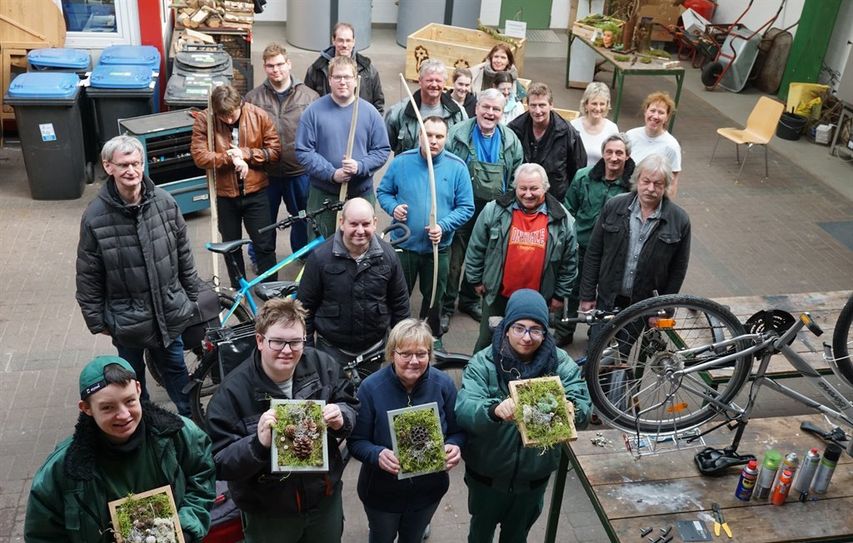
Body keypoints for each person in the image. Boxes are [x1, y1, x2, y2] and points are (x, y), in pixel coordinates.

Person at [206, 297, 359, 543]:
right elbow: (219, 462)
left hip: (323, 500)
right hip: (269, 514)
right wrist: (257, 444)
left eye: (295, 342)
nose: (287, 350)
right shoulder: (232, 393)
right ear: (259, 340)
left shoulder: (323, 366)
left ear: (304, 340)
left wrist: (343, 416)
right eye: (277, 341)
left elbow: (351, 405)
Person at [25, 355, 216, 542]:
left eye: (129, 401)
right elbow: (42, 534)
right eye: (108, 408)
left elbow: (202, 479)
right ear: (86, 408)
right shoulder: (62, 470)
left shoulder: (179, 435)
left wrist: (185, 529)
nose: (123, 415)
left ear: (139, 390)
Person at [76, 135, 200, 416]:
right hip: (126, 322)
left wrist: (191, 298)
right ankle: (142, 434)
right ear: (109, 167)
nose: (131, 170)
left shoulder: (165, 203)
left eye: (136, 163)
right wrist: (98, 321)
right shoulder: (95, 217)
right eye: (123, 165)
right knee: (131, 385)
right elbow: (88, 274)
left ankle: (192, 430)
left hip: (168, 315)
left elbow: (184, 255)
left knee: (179, 379)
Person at [455, 289, 591, 543]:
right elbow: (464, 409)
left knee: (517, 537)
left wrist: (573, 409)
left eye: (535, 329)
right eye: (519, 328)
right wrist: (493, 410)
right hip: (487, 478)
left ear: (545, 331)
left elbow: (583, 409)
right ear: (506, 328)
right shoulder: (483, 363)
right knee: (480, 534)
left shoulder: (561, 364)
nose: (527, 337)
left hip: (532, 480)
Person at [348, 318, 465, 543]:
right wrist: (377, 454)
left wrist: (455, 445)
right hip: (381, 494)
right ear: (392, 354)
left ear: (430, 354)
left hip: (428, 492)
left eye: (421, 354)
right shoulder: (371, 388)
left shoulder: (443, 384)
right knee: (382, 537)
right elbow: (356, 441)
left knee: (413, 538)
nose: (414, 361)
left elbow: (458, 431)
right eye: (405, 354)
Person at [377, 116, 474, 343]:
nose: (433, 141)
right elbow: (383, 192)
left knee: (434, 299)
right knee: (398, 295)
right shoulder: (402, 162)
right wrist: (394, 207)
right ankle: (395, 338)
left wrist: (443, 226)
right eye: (428, 135)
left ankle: (429, 340)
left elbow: (466, 206)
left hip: (438, 249)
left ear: (446, 138)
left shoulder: (457, 167)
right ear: (420, 136)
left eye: (439, 136)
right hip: (404, 245)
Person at [465, 163, 578, 352]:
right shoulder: (494, 210)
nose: (528, 194)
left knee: (530, 346)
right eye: (522, 188)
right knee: (487, 343)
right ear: (515, 187)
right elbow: (476, 247)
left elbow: (570, 262)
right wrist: (475, 279)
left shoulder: (563, 220)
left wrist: (559, 295)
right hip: (497, 295)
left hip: (538, 298)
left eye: (534, 188)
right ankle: (478, 379)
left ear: (545, 187)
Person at [442, 88, 523, 328]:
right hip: (461, 206)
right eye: (485, 107)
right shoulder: (457, 135)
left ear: (502, 112)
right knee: (454, 258)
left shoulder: (510, 141)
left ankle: (468, 299)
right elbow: (444, 170)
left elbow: (516, 177)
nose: (490, 113)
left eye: (496, 109)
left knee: (483, 257)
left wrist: (508, 209)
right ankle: (446, 306)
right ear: (476, 108)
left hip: (494, 210)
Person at [297, 197, 411, 369]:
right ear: (342, 223)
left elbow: (400, 305)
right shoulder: (320, 258)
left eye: (365, 224)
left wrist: (402, 349)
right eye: (354, 224)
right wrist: (308, 354)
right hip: (331, 353)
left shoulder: (389, 257)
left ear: (375, 223)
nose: (360, 230)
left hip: (374, 352)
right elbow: (304, 309)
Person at [191, 84, 282, 288]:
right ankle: (239, 290)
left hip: (256, 192)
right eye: (224, 117)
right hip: (224, 195)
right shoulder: (205, 119)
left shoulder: (258, 116)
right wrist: (231, 158)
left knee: (264, 245)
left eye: (232, 115)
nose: (229, 120)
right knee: (230, 247)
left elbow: (275, 152)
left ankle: (271, 291)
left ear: (240, 104)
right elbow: (200, 156)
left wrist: (246, 154)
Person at [579, 153, 691, 318]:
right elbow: (594, 252)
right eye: (646, 181)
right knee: (598, 341)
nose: (650, 189)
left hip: (644, 306)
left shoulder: (679, 220)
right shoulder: (614, 206)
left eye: (658, 184)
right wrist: (587, 294)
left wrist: (663, 309)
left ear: (665, 186)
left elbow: (678, 270)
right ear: (637, 180)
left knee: (628, 344)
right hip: (607, 297)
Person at [295, 55, 391, 239]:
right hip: (324, 195)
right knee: (322, 248)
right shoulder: (313, 112)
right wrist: (331, 173)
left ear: (356, 80)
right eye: (337, 77)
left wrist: (360, 166)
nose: (342, 82)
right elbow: (304, 151)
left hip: (360, 193)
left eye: (347, 77)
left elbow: (382, 150)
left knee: (361, 246)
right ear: (329, 80)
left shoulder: (370, 113)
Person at [244, 42, 319, 253]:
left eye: (279, 64)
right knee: (263, 222)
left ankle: (304, 255)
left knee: (302, 217)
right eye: (270, 66)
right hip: (265, 173)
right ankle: (261, 258)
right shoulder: (253, 99)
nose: (275, 70)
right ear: (264, 67)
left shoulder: (309, 97)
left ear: (289, 64)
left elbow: (318, 134)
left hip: (300, 172)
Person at [562, 133, 634, 342]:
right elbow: (569, 208)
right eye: (609, 152)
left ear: (627, 156)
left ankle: (597, 337)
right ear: (602, 154)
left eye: (619, 153)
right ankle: (565, 331)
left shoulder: (633, 186)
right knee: (574, 289)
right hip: (582, 246)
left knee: (606, 296)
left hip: (613, 253)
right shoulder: (583, 177)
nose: (613, 157)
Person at [508, 81, 587, 202]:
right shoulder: (515, 129)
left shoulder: (567, 133)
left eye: (542, 105)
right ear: (527, 105)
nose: (538, 111)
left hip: (555, 200)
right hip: (522, 198)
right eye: (533, 105)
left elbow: (578, 170)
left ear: (551, 105)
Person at [385, 59, 464, 155]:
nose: (434, 84)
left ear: (444, 83)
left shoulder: (457, 113)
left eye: (438, 80)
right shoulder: (399, 112)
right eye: (429, 80)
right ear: (420, 81)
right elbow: (386, 144)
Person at [304, 22, 385, 114]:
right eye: (340, 40)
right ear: (333, 40)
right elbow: (306, 102)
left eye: (348, 40)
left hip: (359, 123)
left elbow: (378, 104)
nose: (345, 45)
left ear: (354, 42)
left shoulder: (368, 70)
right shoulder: (317, 70)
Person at [625, 91, 682, 197]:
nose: (655, 116)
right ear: (645, 111)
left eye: (661, 112)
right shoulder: (631, 135)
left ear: (667, 117)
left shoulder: (671, 146)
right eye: (652, 110)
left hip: (652, 199)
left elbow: (672, 184)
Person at [570, 82, 620, 167]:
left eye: (602, 104)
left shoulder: (612, 128)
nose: (598, 108)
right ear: (586, 104)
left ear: (607, 105)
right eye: (594, 103)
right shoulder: (573, 126)